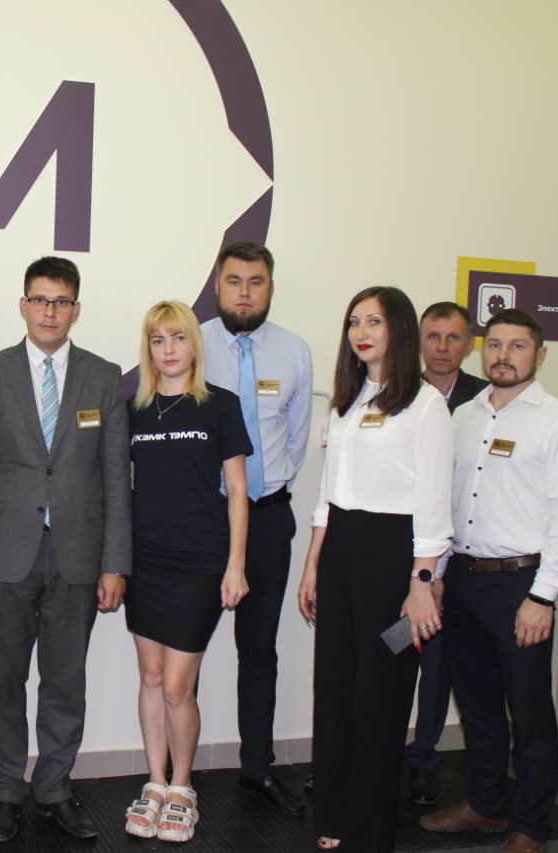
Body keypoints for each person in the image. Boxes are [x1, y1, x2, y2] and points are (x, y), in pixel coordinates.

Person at [0, 256, 131, 844]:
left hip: (78, 555)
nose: (49, 311)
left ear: (76, 309)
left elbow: (116, 477)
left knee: (65, 682)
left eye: (60, 302)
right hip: (1, 553)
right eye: (39, 300)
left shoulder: (104, 376)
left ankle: (54, 788)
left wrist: (115, 562)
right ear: (23, 305)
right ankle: (6, 792)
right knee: (3, 682)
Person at [420, 309, 558, 853]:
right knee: (477, 706)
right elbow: (445, 503)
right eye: (495, 345)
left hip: (522, 586)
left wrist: (544, 596)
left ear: (540, 355)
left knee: (530, 712)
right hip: (463, 580)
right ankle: (486, 803)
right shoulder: (461, 417)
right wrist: (438, 575)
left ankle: (531, 826)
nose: (503, 355)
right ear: (482, 350)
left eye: (517, 346)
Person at [297, 286, 453, 852]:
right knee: (336, 686)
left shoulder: (426, 405)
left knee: (380, 697)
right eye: (354, 322)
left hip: (395, 561)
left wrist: (422, 584)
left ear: (399, 330)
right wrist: (312, 565)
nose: (361, 333)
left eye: (374, 322)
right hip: (340, 551)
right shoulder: (348, 400)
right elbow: (327, 495)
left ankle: (369, 832)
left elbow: (434, 505)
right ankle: (335, 818)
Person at [122, 301, 251, 843]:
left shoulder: (220, 406)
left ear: (193, 344)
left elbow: (238, 490)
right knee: (151, 678)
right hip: (144, 560)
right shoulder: (133, 410)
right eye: (158, 340)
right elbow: (124, 487)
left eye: (177, 338)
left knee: (178, 685)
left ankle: (183, 786)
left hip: (200, 562)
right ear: (148, 349)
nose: (168, 349)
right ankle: (155, 782)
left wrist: (236, 565)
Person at [199, 241, 312, 816]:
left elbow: (296, 437)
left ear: (270, 287)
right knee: (184, 650)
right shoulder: (190, 344)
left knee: (259, 650)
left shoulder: (295, 352)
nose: (244, 292)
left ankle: (257, 769)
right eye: (234, 281)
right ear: (217, 284)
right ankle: (174, 774)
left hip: (267, 518)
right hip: (204, 522)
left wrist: (264, 490)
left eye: (256, 281)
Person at [404, 301, 490, 806]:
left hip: (455, 560)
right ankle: (370, 753)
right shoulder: (397, 391)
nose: (442, 347)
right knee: (391, 652)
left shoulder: (485, 402)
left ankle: (422, 759)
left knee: (436, 667)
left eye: (453, 337)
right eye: (433, 337)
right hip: (399, 553)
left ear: (469, 345)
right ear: (419, 341)